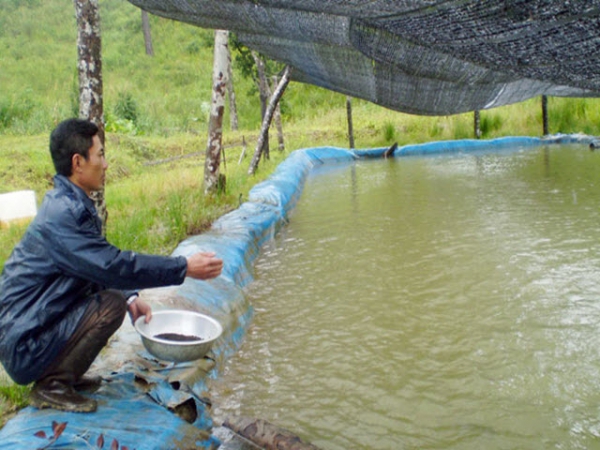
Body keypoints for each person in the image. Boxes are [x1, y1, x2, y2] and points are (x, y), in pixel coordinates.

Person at [0, 118, 223, 413]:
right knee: (110, 305)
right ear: (78, 162)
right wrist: (183, 267)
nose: (105, 165)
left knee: (119, 298)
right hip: (24, 344)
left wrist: (132, 295)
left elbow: (93, 266)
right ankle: (52, 386)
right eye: (101, 155)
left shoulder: (70, 204)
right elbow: (113, 265)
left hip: (30, 331)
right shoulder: (64, 215)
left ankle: (63, 375)